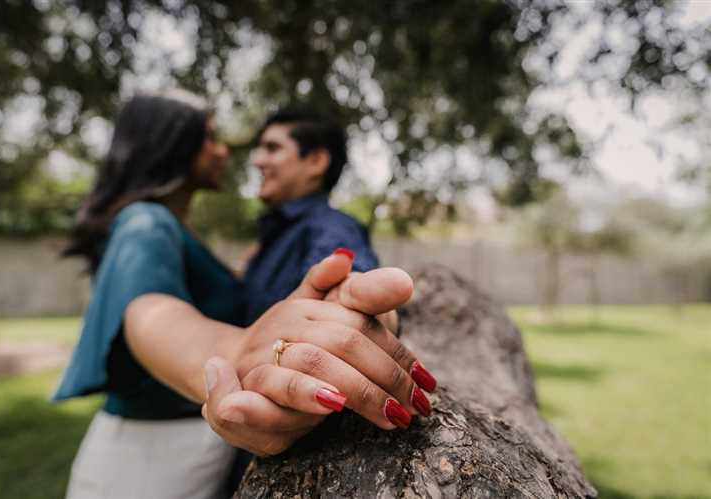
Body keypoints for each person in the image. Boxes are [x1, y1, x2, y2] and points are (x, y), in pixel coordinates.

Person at [53, 90, 436, 499]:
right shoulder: (147, 222)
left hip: (174, 448)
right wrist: (233, 354)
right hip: (149, 455)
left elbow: (348, 277)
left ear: (315, 161)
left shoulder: (325, 228)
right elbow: (151, 314)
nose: (237, 155)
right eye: (212, 138)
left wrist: (360, 310)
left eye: (271, 147)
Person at [243, 108, 381, 326]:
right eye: (259, 149)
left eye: (272, 148)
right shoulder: (280, 232)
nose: (257, 160)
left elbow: (346, 298)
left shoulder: (330, 228)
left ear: (316, 161)